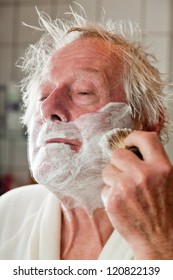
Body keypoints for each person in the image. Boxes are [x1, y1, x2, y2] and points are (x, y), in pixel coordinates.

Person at [0, 6, 173, 260]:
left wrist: (157, 248)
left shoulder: (165, 231)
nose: (48, 109)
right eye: (43, 96)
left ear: (147, 122)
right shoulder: (9, 213)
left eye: (83, 92)